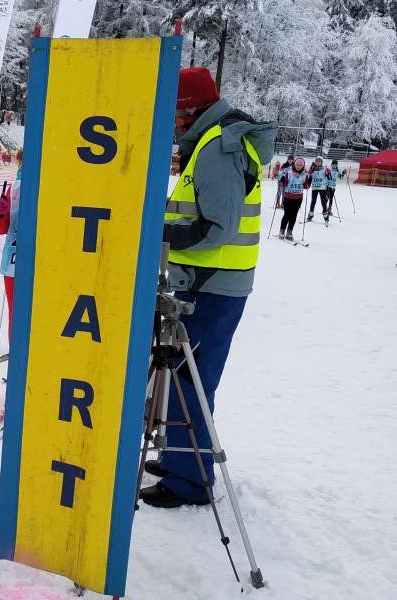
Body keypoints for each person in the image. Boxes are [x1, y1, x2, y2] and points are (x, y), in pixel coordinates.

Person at [141, 67, 276, 508]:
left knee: (190, 380)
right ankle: (183, 460)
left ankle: (190, 482)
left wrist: (156, 232)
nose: (175, 126)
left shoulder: (217, 147)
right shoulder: (213, 140)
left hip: (211, 286)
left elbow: (216, 226)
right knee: (184, 376)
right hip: (209, 282)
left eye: (177, 118)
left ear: (190, 110)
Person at [0, 170, 21, 339]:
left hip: (47, 264)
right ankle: (16, 359)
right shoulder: (16, 186)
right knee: (17, 318)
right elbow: (0, 228)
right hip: (15, 264)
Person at [278, 157, 310, 239]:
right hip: (288, 197)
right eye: (297, 164)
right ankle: (282, 231)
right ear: (294, 164)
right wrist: (282, 179)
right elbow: (283, 184)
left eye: (300, 165)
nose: (298, 166)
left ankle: (289, 232)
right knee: (287, 214)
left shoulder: (304, 174)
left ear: (303, 166)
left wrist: (310, 180)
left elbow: (306, 186)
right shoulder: (289, 173)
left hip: (298, 198)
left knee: (293, 215)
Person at [307, 155, 330, 222]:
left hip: (322, 188)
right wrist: (308, 183)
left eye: (319, 161)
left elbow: (328, 177)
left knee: (323, 202)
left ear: (321, 162)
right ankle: (311, 214)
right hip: (314, 188)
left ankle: (326, 216)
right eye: (316, 161)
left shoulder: (324, 169)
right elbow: (310, 178)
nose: (317, 162)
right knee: (313, 201)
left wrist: (328, 173)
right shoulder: (312, 169)